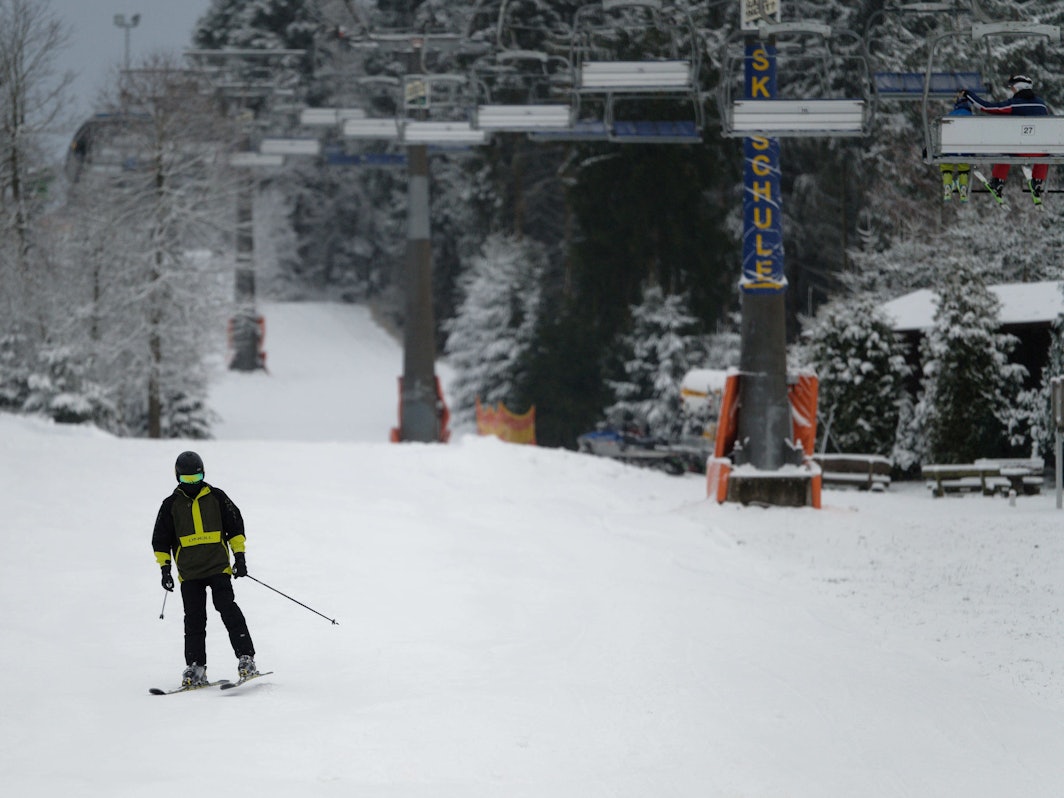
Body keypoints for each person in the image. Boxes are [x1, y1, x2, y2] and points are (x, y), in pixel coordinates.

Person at [152, 451, 258, 687]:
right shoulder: (170, 505)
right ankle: (196, 667)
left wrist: (239, 557)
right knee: (194, 619)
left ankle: (246, 658)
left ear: (203, 473)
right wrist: (165, 570)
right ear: (177, 477)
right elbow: (160, 540)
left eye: (196, 477)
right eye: (186, 480)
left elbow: (236, 527)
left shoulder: (218, 498)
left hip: (218, 567)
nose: (193, 483)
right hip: (189, 573)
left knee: (227, 609)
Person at [963, 74, 1050, 204]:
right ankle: (1037, 182)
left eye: (1012, 88)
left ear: (1018, 88)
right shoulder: (1042, 104)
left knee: (1007, 150)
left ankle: (997, 181)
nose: (1012, 91)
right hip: (1040, 151)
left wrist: (968, 94)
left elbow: (987, 107)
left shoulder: (1015, 104)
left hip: (1019, 149)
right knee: (1045, 150)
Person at [940, 93, 973, 203]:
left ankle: (947, 185)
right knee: (964, 161)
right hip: (965, 151)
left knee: (946, 161)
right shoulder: (972, 117)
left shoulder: (950, 115)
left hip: (950, 150)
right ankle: (963, 186)